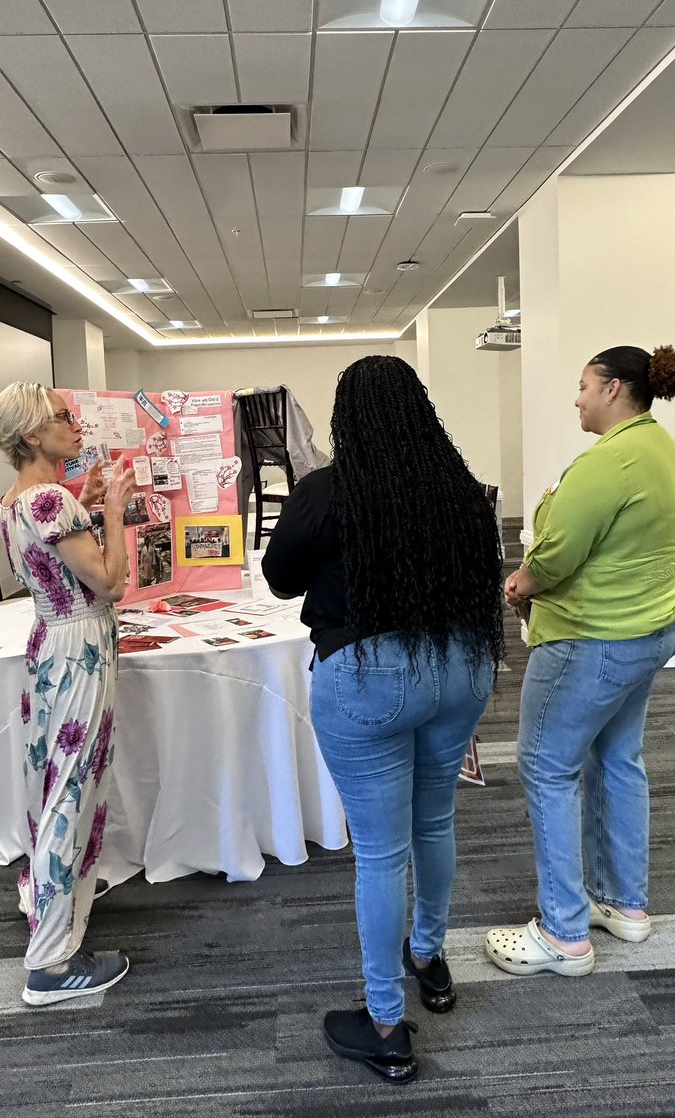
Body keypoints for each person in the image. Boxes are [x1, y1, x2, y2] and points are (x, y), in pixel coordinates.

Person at [262, 356, 504, 1083]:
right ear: (419, 410)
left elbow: (280, 579)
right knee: (433, 823)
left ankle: (385, 1023)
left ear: (346, 418)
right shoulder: (460, 490)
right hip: (460, 667)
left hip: (367, 677)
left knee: (379, 852)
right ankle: (429, 960)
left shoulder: (325, 493)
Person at [486, 345, 675, 978]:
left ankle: (562, 932)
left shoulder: (610, 463)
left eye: (583, 386)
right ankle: (625, 904)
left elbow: (557, 554)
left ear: (614, 389)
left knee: (546, 767)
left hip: (588, 640)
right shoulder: (663, 452)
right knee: (618, 759)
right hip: (647, 634)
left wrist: (520, 585)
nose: (576, 398)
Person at [0, 383, 135, 1006]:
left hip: (51, 643)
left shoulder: (17, 500)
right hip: (78, 649)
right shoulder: (51, 499)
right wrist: (111, 511)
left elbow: (49, 557)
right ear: (31, 435)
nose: (75, 424)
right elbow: (109, 583)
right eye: (61, 418)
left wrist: (85, 505)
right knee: (71, 788)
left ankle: (51, 899)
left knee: (54, 781)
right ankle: (50, 963)